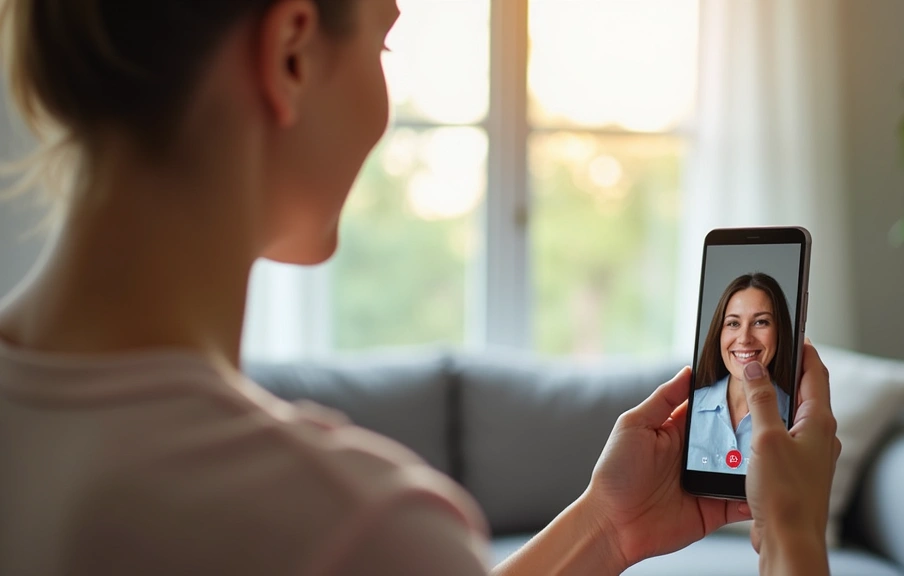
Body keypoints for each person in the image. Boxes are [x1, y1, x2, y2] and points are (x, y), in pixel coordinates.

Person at [0, 1, 841, 574]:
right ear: (291, 48)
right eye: (383, 40)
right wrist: (793, 539)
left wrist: (606, 524)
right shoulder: (347, 523)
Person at [688, 273, 795, 474]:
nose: (744, 338)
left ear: (780, 332)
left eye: (760, 322)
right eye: (733, 323)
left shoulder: (797, 420)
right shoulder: (686, 411)